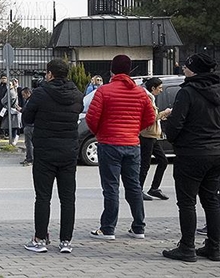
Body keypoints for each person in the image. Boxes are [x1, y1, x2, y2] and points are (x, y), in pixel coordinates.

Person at [85, 54, 155, 240]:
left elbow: (91, 118)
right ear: (130, 70)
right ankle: (138, 227)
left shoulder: (104, 91)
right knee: (134, 186)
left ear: (111, 70)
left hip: (109, 144)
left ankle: (108, 228)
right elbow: (150, 118)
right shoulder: (140, 92)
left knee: (111, 187)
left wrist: (101, 132)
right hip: (132, 144)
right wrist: (133, 130)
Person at [162, 53, 220, 262]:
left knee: (187, 203)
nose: (184, 70)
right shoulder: (217, 89)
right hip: (215, 152)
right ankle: (215, 247)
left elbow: (176, 124)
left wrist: (172, 135)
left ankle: (187, 247)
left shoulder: (187, 92)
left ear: (193, 70)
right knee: (211, 200)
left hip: (191, 152)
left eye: (186, 67)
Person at [21, 59, 83, 254]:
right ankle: (66, 241)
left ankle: (40, 239)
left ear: (50, 74)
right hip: (69, 151)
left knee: (43, 197)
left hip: (45, 151)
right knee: (68, 198)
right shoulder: (77, 95)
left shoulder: (41, 93)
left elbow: (27, 117)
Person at [139, 77, 171, 201]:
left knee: (163, 161)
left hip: (152, 135)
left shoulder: (150, 98)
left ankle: (154, 188)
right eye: (160, 88)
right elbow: (150, 118)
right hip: (146, 135)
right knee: (144, 164)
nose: (161, 91)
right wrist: (165, 113)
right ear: (153, 88)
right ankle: (138, 189)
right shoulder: (147, 98)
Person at [21, 87, 34, 166]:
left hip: (29, 125)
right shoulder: (30, 101)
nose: (23, 96)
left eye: (23, 95)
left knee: (29, 143)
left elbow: (27, 111)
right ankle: (29, 157)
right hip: (29, 125)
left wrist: (21, 110)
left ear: (27, 93)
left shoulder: (30, 101)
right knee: (29, 143)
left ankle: (30, 159)